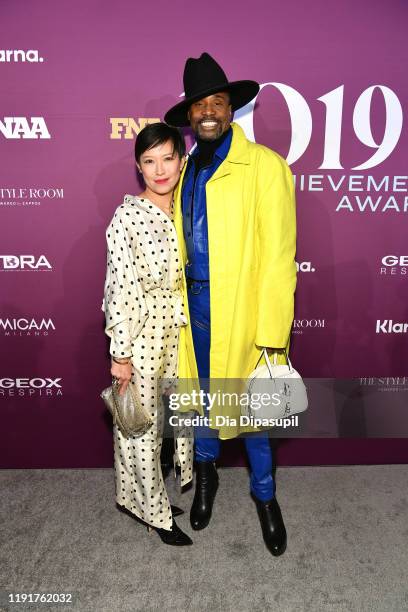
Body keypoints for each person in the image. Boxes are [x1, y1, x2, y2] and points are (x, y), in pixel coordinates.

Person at [164, 53, 297, 556]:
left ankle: (265, 497)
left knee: (255, 417)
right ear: (191, 115)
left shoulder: (265, 166)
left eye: (217, 101)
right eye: (200, 104)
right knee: (201, 407)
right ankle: (206, 480)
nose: (209, 111)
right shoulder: (184, 169)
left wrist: (271, 336)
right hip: (191, 315)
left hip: (243, 316)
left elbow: (281, 258)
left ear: (231, 107)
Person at [102, 122, 194, 546]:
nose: (160, 170)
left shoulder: (185, 209)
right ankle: (156, 514)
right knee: (141, 427)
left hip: (179, 327)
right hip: (142, 333)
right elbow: (120, 288)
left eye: (167, 158)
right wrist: (120, 354)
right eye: (149, 161)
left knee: (170, 419)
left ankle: (141, 497)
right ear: (139, 167)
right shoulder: (127, 216)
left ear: (182, 159)